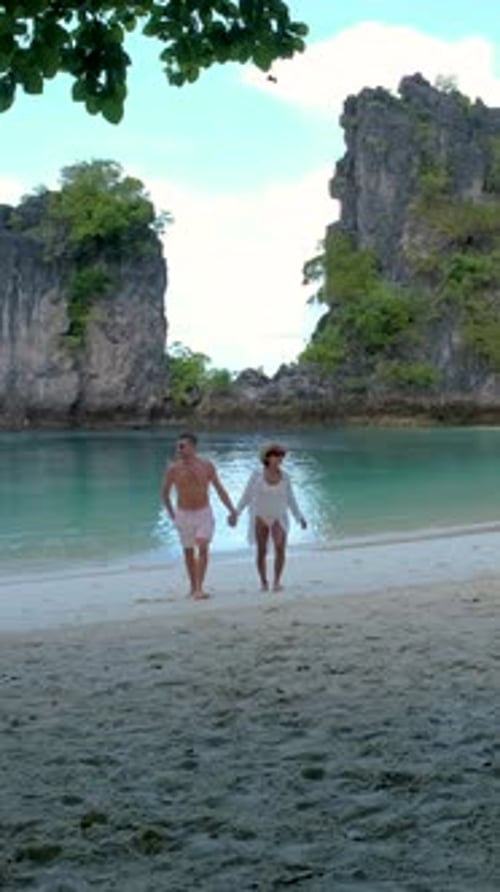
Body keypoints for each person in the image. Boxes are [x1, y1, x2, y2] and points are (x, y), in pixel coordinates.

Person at [162, 432, 237, 600]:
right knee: (188, 551)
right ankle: (193, 586)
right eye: (178, 446)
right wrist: (172, 515)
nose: (179, 449)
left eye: (182, 446)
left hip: (203, 512)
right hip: (183, 513)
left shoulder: (206, 466)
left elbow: (219, 489)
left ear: (193, 447)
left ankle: (199, 588)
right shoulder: (173, 469)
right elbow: (165, 494)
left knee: (203, 545)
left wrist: (232, 510)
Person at [233, 442, 307, 592]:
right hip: (260, 516)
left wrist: (300, 517)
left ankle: (277, 581)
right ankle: (263, 581)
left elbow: (291, 499)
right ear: (267, 457)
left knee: (280, 548)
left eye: (281, 455)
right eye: (276, 455)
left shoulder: (285, 477)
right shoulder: (257, 475)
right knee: (262, 551)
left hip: (279, 516)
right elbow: (246, 496)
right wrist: (236, 512)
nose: (279, 458)